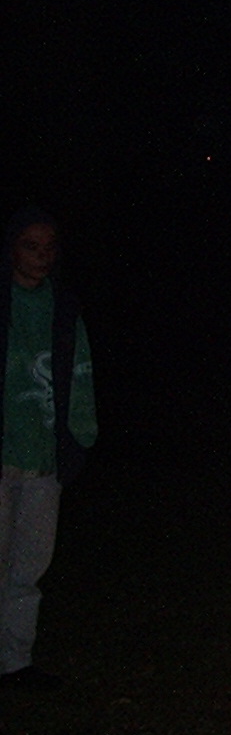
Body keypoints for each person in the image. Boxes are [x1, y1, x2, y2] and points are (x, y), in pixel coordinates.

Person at [0, 207, 95, 690]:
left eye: (49, 247)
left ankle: (15, 663)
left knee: (28, 567)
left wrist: (79, 439)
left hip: (44, 459)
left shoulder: (62, 308)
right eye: (30, 247)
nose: (41, 256)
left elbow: (80, 374)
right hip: (5, 455)